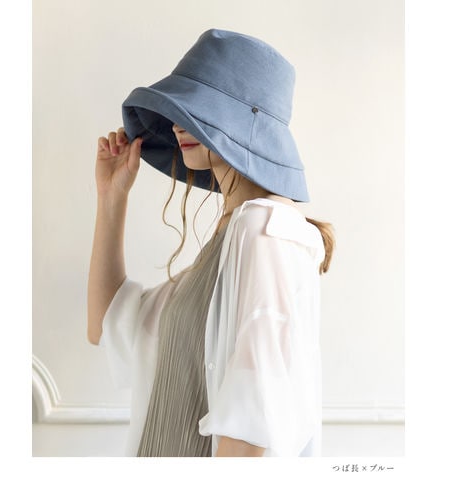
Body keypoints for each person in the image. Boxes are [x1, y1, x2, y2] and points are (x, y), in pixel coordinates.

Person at [87, 29, 334, 457]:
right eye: (180, 110)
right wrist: (112, 198)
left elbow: (256, 417)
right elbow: (107, 326)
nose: (178, 123)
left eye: (200, 110)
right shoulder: (232, 237)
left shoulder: (264, 228)